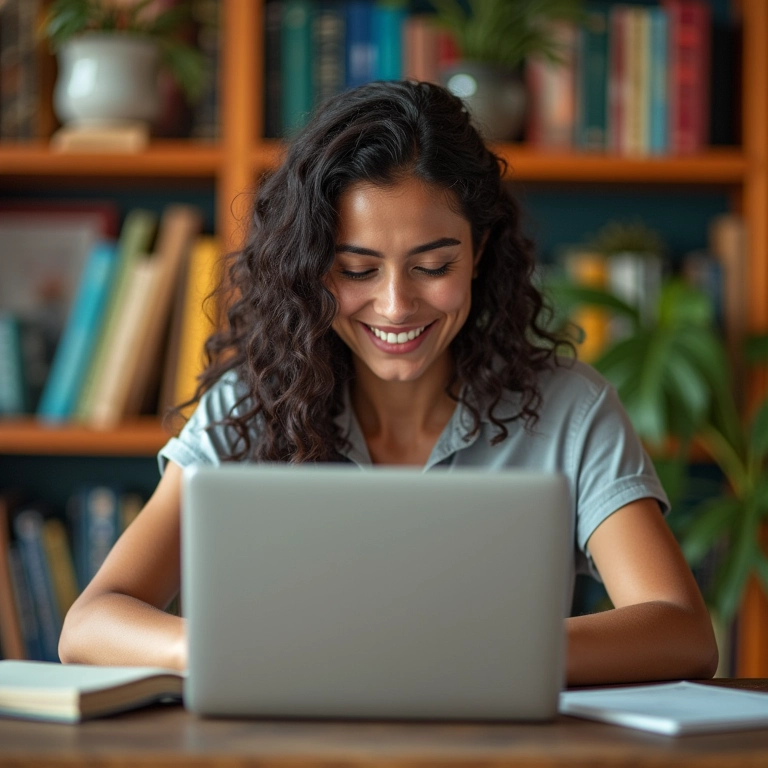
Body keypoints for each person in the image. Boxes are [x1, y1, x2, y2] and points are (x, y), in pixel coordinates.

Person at [58, 80, 717, 685]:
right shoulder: (250, 407)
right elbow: (90, 624)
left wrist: (475, 659)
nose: (397, 306)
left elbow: (682, 631)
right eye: (358, 270)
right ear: (312, 267)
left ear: (480, 250)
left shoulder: (570, 408)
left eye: (433, 265)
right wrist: (220, 652)